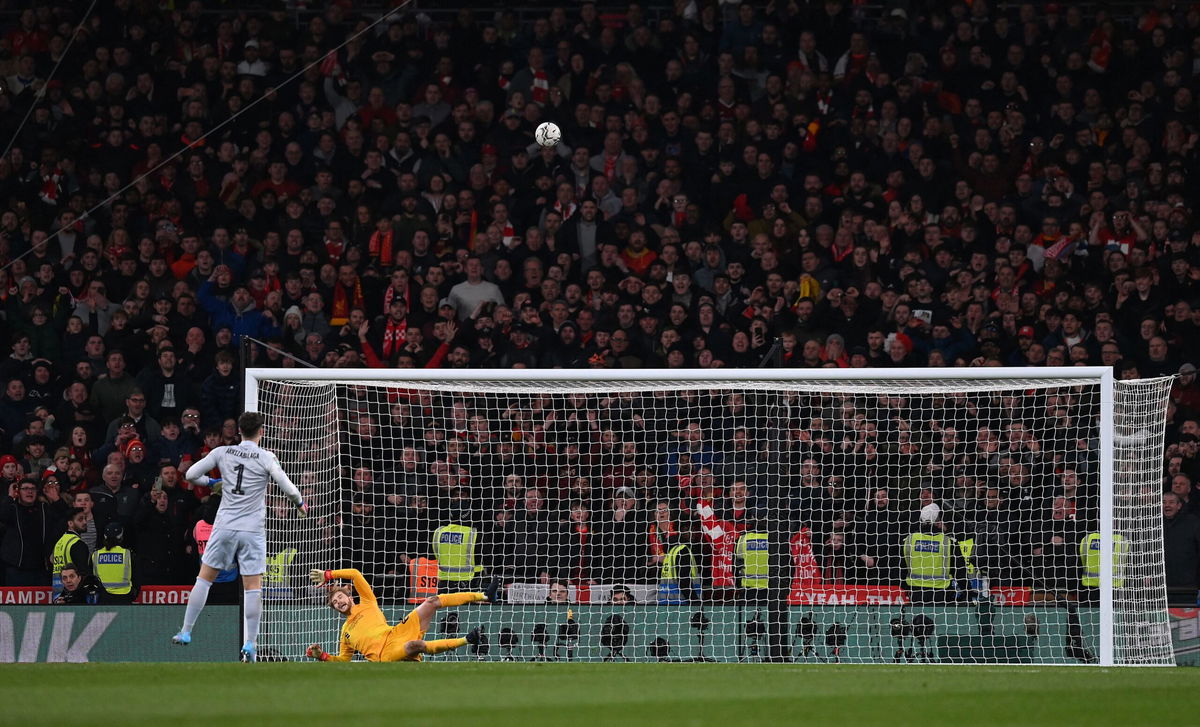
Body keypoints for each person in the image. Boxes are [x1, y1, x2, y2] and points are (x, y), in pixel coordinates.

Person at [172, 411, 306, 662]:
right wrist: (299, 504)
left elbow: (190, 475)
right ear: (261, 432)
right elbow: (287, 486)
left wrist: (213, 483)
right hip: (252, 530)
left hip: (224, 526)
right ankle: (251, 644)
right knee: (253, 587)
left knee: (204, 579)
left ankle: (186, 631)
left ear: (239, 431)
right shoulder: (267, 457)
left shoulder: (223, 452)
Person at [304, 567, 499, 662]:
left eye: (340, 597)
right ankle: (467, 639)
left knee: (431, 602)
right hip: (385, 655)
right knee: (415, 646)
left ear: (349, 595)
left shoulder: (368, 603)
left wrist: (329, 575)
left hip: (396, 632)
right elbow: (344, 661)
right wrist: (322, 655)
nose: (339, 602)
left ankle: (484, 595)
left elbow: (354, 573)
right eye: (335, 603)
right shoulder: (346, 631)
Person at [91, 521, 137, 603]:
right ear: (121, 537)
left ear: (105, 537)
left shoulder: (96, 554)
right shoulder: (128, 554)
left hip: (102, 598)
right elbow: (137, 578)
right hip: (124, 597)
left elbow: (90, 578)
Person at [51, 507, 91, 596]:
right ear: (70, 523)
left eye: (85, 518)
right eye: (80, 519)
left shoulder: (59, 542)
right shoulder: (77, 544)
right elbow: (83, 572)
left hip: (58, 592)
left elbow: (51, 561)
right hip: (74, 594)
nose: (85, 522)